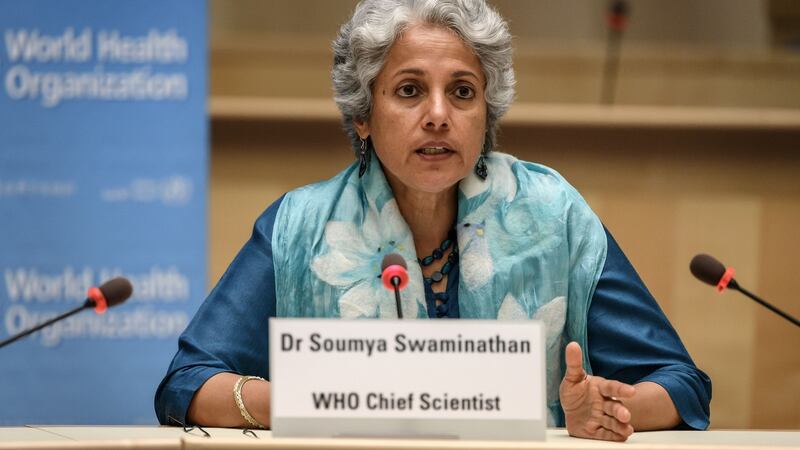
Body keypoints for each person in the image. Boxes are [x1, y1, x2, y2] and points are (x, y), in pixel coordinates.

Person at [155, 0, 711, 441]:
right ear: (362, 115)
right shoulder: (301, 225)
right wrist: (315, 398)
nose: (439, 115)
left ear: (486, 115)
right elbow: (186, 385)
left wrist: (610, 408)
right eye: (410, 90)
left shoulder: (552, 215)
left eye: (463, 92)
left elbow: (683, 385)